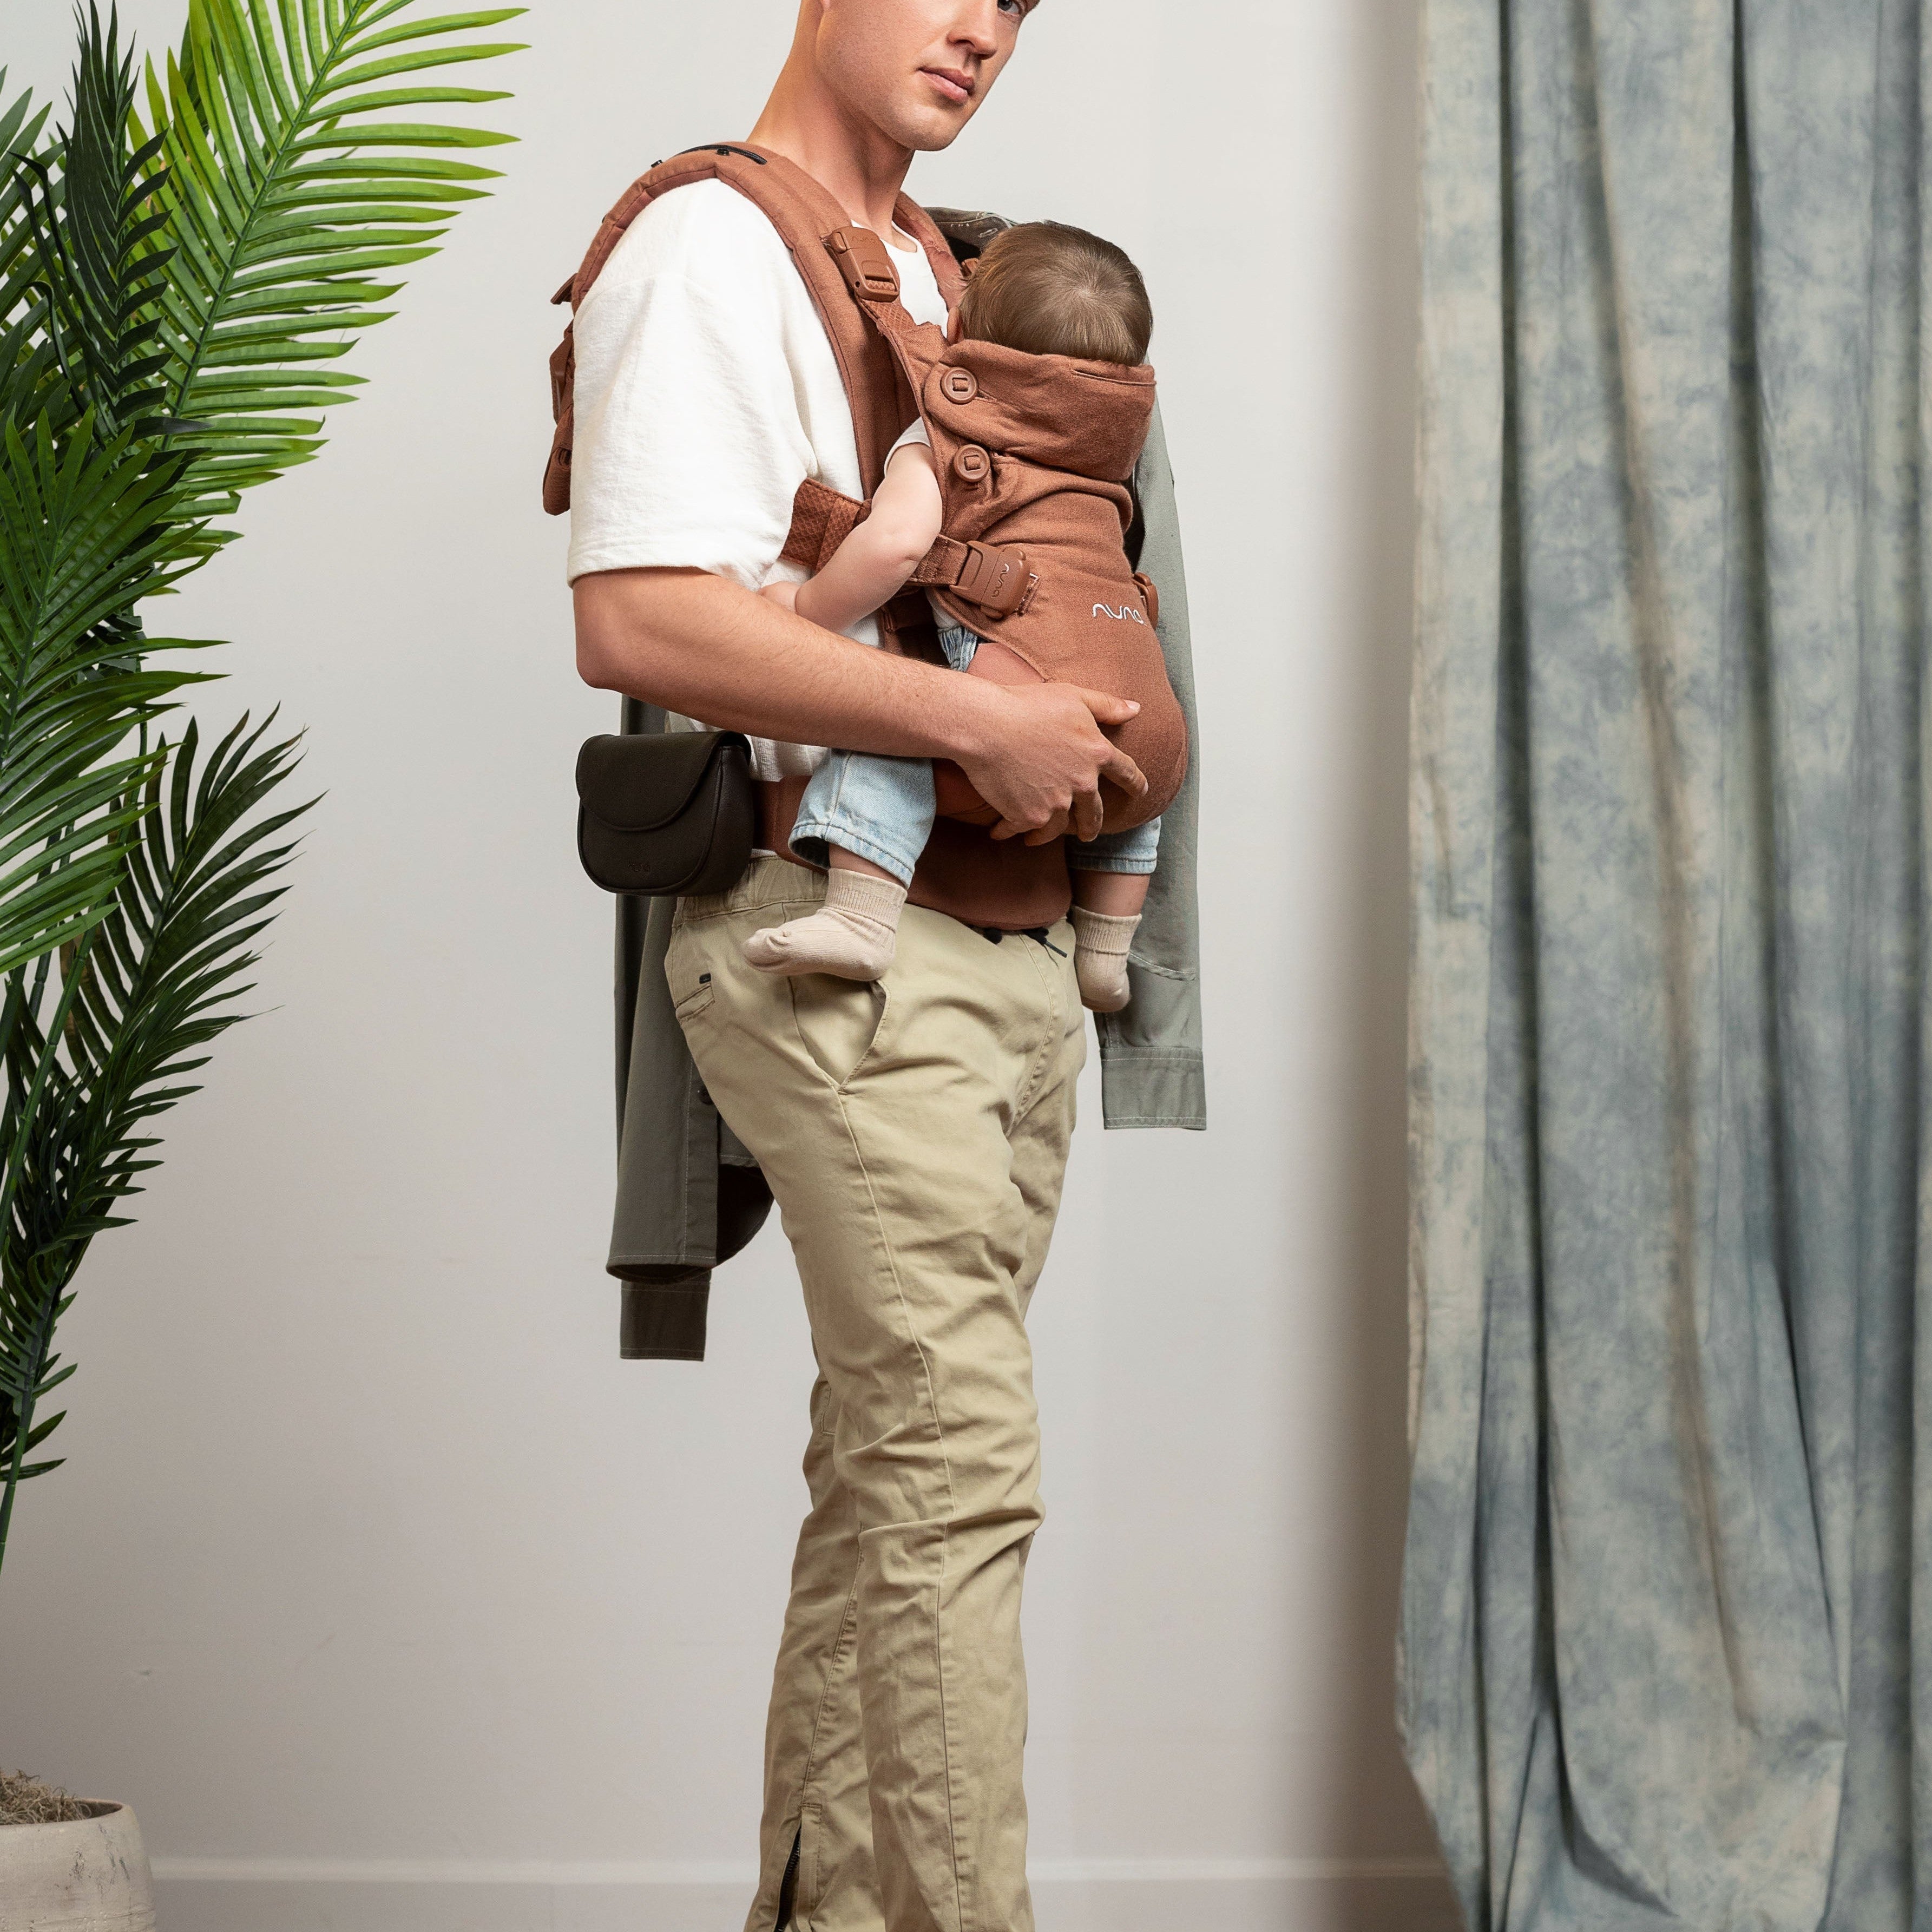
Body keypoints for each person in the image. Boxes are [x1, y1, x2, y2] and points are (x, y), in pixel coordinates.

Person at [569, 4, 1206, 1928]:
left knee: (893, 1478)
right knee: (955, 1470)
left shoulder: (975, 276)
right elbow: (642, 622)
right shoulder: (710, 247)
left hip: (1011, 954)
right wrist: (974, 727)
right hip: (832, 941)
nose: (984, 26)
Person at [745, 220, 1168, 1014]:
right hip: (1147, 732)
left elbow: (898, 544)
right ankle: (1107, 952)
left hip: (1026, 709)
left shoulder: (950, 433)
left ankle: (860, 918)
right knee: (1139, 759)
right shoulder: (1110, 451)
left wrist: (804, 608)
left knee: (890, 723)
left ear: (961, 324)